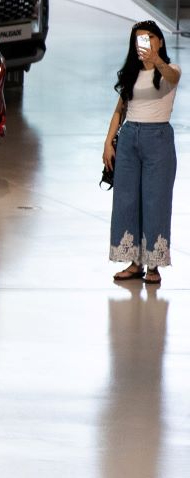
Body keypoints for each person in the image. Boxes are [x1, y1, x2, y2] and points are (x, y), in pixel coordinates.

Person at [105, 19, 180, 284]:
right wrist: (108, 142)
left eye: (148, 38)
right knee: (127, 199)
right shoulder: (131, 74)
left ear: (159, 40)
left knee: (155, 201)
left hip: (157, 138)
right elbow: (120, 109)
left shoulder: (170, 70)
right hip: (129, 139)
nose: (143, 43)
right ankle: (135, 262)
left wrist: (156, 60)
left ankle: (153, 267)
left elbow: (172, 78)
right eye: (139, 39)